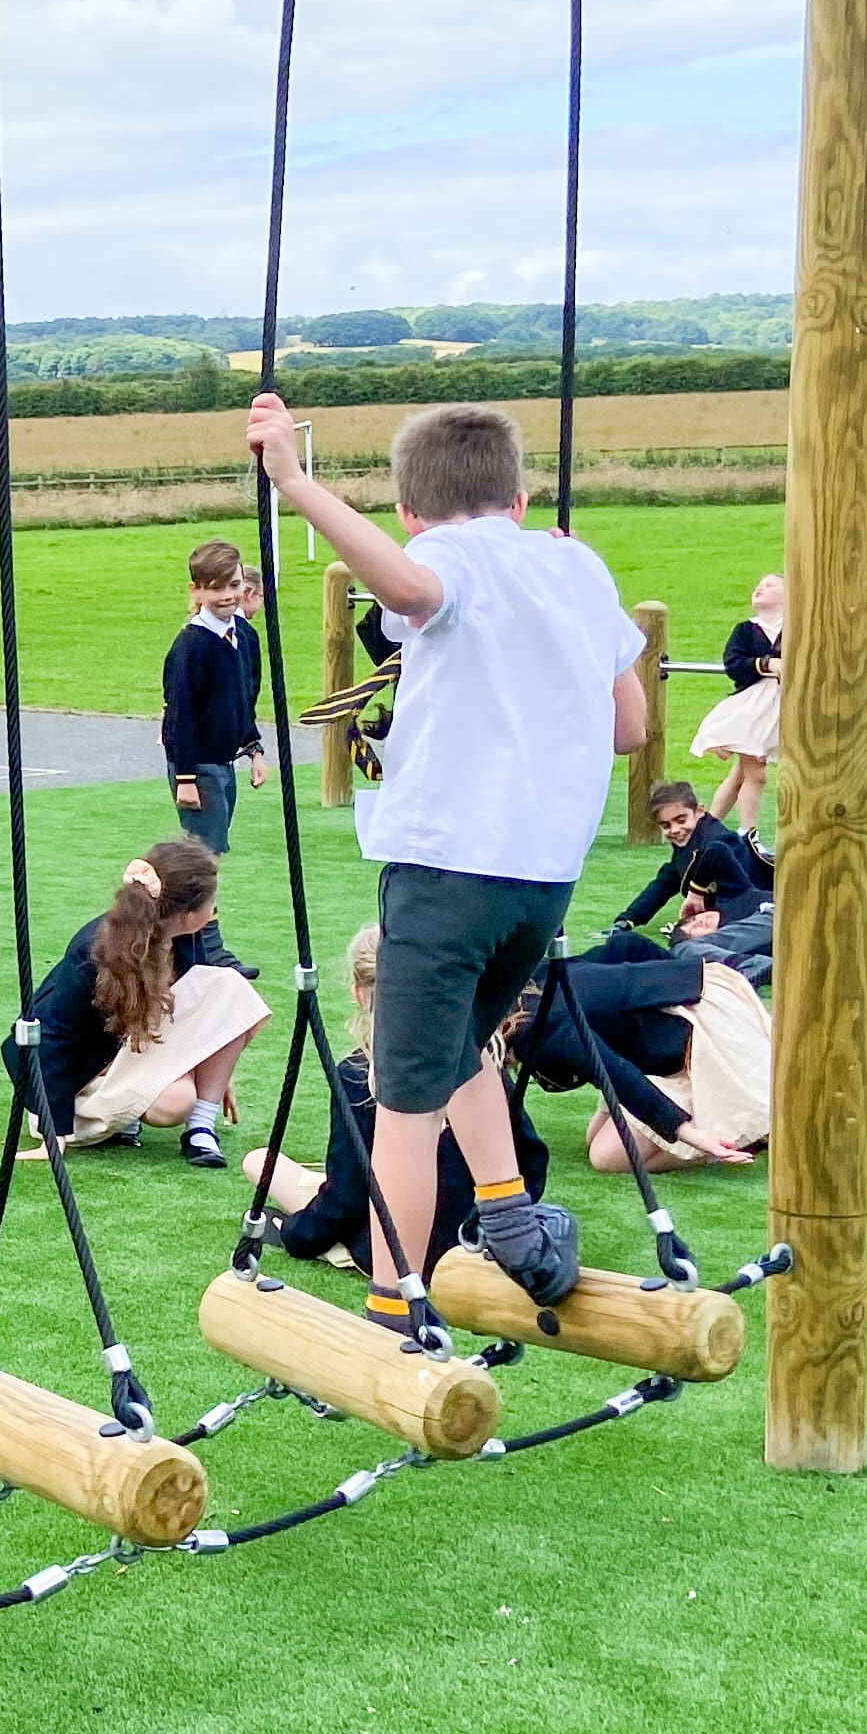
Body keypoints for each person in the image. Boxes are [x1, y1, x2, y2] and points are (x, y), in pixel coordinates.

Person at [252, 393, 647, 1312]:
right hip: (544, 875)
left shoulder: (440, 557)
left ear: (407, 513)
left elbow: (410, 591)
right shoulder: (575, 566)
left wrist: (294, 482)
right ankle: (508, 1214)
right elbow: (630, 726)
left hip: (445, 867)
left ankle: (397, 1308)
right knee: (461, 1043)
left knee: (402, 1095)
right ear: (518, 500)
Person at [251, 925, 551, 1270]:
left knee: (260, 1162)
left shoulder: (359, 1073)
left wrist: (294, 1235)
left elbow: (345, 1198)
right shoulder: (482, 1065)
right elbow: (530, 1162)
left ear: (359, 994)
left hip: (398, 1250)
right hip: (479, 1242)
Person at [10, 839, 266, 1168]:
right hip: (81, 1090)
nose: (213, 911)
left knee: (230, 986)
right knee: (177, 1099)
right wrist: (53, 1135)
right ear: (188, 915)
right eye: (212, 904)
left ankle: (201, 1129)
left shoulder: (186, 935)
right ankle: (122, 1120)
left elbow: (200, 1012)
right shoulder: (95, 949)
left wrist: (214, 1066)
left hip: (132, 1052)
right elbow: (54, 1035)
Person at [514, 936, 771, 1175]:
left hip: (701, 1038)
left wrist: (686, 1132)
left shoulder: (535, 1027)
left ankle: (741, 1139)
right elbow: (626, 945)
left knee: (607, 1156)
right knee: (595, 1136)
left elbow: (615, 1073)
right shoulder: (524, 979)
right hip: (695, 997)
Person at [162, 540, 264, 852]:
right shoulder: (190, 647)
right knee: (204, 853)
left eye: (233, 585)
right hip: (198, 763)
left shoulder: (245, 636)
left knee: (213, 847)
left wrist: (253, 748)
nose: (226, 596)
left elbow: (245, 699)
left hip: (224, 760)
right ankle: (198, 903)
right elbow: (181, 714)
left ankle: (201, 902)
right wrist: (186, 778)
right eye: (216, 588)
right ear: (196, 591)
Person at [614, 781, 769, 942]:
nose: (675, 829)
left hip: (760, 913)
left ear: (699, 811)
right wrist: (629, 917)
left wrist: (696, 896)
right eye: (666, 825)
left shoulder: (722, 840)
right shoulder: (687, 843)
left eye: (681, 820)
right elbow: (665, 882)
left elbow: (740, 892)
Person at [690, 575, 783, 830]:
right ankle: (747, 831)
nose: (761, 587)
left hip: (779, 712)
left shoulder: (797, 627)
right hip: (752, 711)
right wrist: (766, 664)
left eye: (770, 585)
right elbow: (733, 664)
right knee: (756, 774)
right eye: (759, 585)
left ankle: (707, 828)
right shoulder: (745, 630)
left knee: (739, 775)